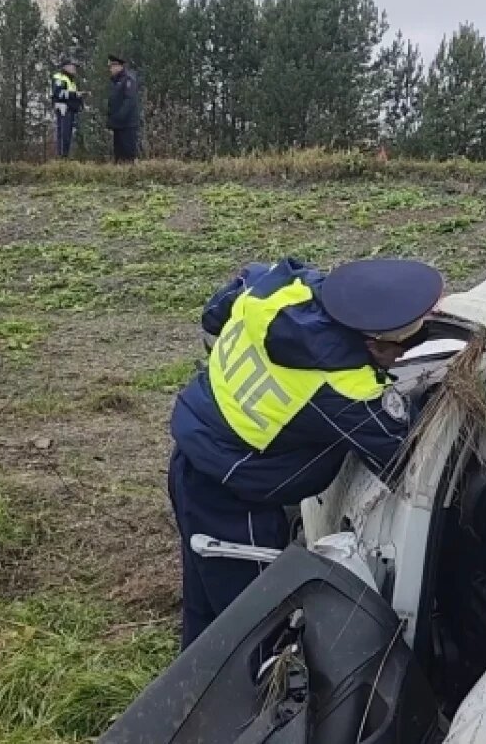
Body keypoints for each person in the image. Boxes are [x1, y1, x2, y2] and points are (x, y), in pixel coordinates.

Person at [168, 256, 444, 648]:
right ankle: (248, 706)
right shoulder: (341, 387)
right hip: (235, 500)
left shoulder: (277, 288)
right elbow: (405, 456)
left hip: (193, 451)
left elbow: (215, 315)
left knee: (209, 607)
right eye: (401, 347)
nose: (402, 356)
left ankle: (191, 691)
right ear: (372, 342)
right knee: (256, 629)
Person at [107, 54, 141, 164]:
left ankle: (130, 175)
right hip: (118, 124)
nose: (110, 69)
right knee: (118, 155)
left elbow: (129, 101)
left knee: (128, 154)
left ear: (119, 66)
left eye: (112, 66)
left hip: (127, 124)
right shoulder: (115, 81)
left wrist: (119, 116)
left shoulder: (128, 80)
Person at [50, 59, 85, 158]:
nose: (74, 69)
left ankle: (65, 156)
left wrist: (80, 101)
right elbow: (58, 93)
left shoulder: (71, 80)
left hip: (71, 110)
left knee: (69, 135)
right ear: (65, 67)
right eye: (72, 66)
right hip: (63, 109)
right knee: (63, 134)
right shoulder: (59, 78)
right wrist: (75, 94)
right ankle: (62, 157)